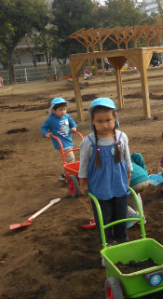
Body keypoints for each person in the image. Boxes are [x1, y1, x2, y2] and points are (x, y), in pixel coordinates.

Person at [79, 98, 132, 246]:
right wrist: (82, 184)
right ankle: (106, 243)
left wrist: (128, 174)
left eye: (108, 120)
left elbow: (127, 158)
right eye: (100, 121)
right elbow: (83, 166)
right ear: (93, 122)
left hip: (119, 185)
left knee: (121, 216)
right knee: (104, 217)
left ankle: (122, 240)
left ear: (115, 118)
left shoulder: (122, 137)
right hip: (100, 189)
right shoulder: (88, 142)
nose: (105, 125)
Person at [41, 97, 78, 181]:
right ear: (54, 110)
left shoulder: (67, 116)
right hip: (60, 142)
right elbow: (43, 127)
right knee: (70, 158)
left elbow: (72, 123)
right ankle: (66, 175)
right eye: (60, 110)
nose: (63, 112)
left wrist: (74, 127)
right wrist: (45, 134)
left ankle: (63, 174)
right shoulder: (51, 119)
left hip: (68, 140)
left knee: (69, 159)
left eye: (64, 109)